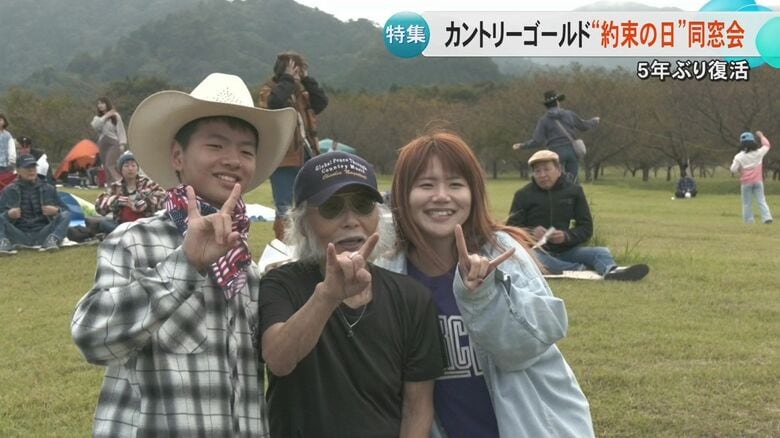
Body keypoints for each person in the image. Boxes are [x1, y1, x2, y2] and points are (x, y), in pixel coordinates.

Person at [70, 72, 298, 436]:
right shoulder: (135, 242)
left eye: (246, 151)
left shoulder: (245, 269)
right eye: (216, 145)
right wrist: (185, 264)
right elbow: (91, 338)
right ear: (178, 156)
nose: (233, 160)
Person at [375, 132, 593, 437]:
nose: (442, 196)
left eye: (455, 184)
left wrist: (485, 297)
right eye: (426, 185)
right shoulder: (389, 271)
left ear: (473, 192)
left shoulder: (502, 251)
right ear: (401, 195)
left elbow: (529, 345)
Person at [258, 151, 445, 437]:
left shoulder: (412, 298)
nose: (350, 220)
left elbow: (417, 409)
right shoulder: (280, 284)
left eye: (362, 205)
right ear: (303, 224)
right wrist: (327, 297)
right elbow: (279, 360)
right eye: (332, 208)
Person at [508, 150, 649, 281]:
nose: (542, 175)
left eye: (546, 169)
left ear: (558, 170)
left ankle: (611, 271)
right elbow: (510, 231)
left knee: (600, 252)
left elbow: (586, 228)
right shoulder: (523, 195)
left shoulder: (574, 192)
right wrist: (531, 234)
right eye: (537, 171)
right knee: (533, 259)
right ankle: (578, 269)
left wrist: (566, 236)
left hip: (567, 250)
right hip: (538, 251)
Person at [257, 51, 329, 240]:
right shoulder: (269, 90)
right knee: (285, 207)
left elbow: (321, 102)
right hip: (283, 157)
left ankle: (311, 242)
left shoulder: (301, 94)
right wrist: (288, 78)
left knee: (312, 202)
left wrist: (307, 79)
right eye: (295, 70)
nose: (297, 74)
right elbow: (275, 103)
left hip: (308, 154)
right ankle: (284, 245)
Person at [512, 90, 599, 182]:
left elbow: (537, 141)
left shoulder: (543, 120)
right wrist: (594, 121)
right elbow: (584, 126)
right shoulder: (569, 114)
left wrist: (522, 145)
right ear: (557, 102)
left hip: (555, 151)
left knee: (555, 181)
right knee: (573, 181)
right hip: (571, 150)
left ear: (546, 105)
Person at [0, 154, 71, 255]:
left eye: (33, 167)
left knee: (65, 215)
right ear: (18, 170)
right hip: (18, 234)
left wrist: (56, 211)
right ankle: (3, 242)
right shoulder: (9, 191)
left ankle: (53, 240)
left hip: (44, 234)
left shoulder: (49, 189)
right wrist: (8, 214)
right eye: (27, 167)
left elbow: (66, 211)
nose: (31, 170)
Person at [93, 152, 165, 234]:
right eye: (126, 166)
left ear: (137, 168)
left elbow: (163, 198)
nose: (130, 168)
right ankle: (129, 234)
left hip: (144, 224)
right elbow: (99, 207)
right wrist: (118, 201)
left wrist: (144, 203)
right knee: (104, 223)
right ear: (121, 170)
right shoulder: (115, 187)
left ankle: (128, 234)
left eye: (133, 165)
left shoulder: (147, 183)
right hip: (122, 225)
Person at [730, 131, 773, 224]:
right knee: (761, 200)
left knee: (747, 203)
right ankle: (767, 217)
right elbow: (767, 145)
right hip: (758, 181)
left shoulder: (739, 157)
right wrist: (761, 136)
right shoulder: (759, 153)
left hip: (746, 183)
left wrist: (740, 170)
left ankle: (749, 221)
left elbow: (733, 169)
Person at [90, 97, 127, 183]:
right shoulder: (97, 118)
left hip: (113, 142)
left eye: (102, 103)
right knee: (105, 166)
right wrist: (106, 116)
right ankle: (111, 186)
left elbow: (120, 130)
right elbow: (95, 126)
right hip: (102, 143)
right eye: (99, 104)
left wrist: (122, 144)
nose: (100, 105)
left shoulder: (116, 116)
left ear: (107, 104)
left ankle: (119, 181)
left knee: (110, 164)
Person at [0, 114, 16, 190]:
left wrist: (12, 161)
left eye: (0, 120)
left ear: (4, 122)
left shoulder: (8, 135)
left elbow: (11, 149)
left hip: (4, 164)